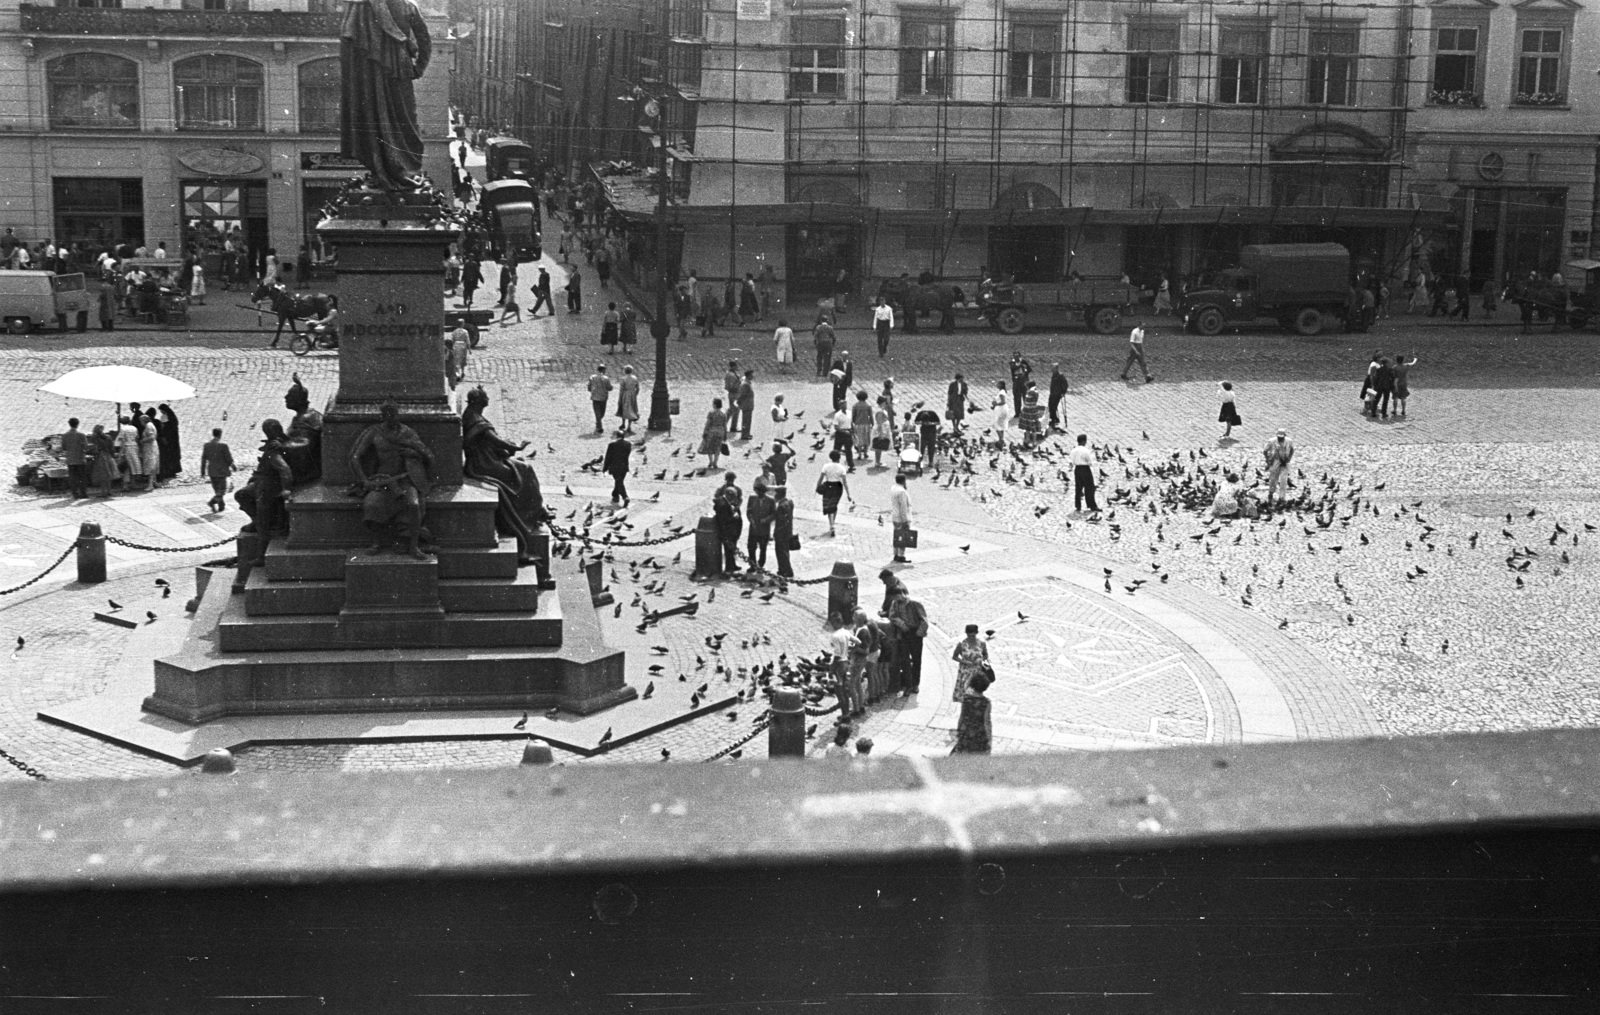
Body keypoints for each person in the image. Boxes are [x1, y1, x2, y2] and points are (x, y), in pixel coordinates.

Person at [461, 387, 551, 571]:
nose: (488, 399)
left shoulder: (472, 414)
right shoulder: (475, 418)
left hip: (486, 457)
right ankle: (533, 509)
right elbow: (495, 441)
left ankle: (537, 508)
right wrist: (516, 448)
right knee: (523, 468)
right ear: (479, 401)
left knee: (522, 466)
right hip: (483, 463)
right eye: (485, 397)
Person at [350, 403, 434, 559]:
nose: (393, 418)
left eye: (395, 415)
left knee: (414, 504)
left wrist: (414, 452)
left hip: (405, 479)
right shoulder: (374, 433)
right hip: (383, 480)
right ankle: (376, 542)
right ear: (382, 416)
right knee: (371, 503)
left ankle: (414, 546)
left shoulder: (407, 433)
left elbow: (428, 455)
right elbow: (356, 457)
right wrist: (364, 480)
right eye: (389, 415)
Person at [888, 587, 928, 697]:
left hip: (915, 634)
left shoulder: (915, 604)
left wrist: (919, 633)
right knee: (905, 660)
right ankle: (908, 685)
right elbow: (892, 616)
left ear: (902, 594)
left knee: (916, 659)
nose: (896, 599)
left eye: (897, 596)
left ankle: (916, 683)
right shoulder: (895, 604)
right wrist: (902, 625)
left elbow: (924, 620)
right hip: (903, 634)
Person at [951, 668, 994, 754]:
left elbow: (962, 716)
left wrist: (959, 730)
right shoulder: (986, 703)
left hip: (966, 733)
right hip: (979, 735)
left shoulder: (966, 699)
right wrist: (989, 739)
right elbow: (987, 722)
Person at [713, 471, 744, 575]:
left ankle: (732, 564)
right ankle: (729, 567)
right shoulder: (722, 490)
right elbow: (716, 501)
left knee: (732, 548)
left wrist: (736, 506)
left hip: (733, 528)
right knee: (728, 548)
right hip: (728, 529)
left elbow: (740, 499)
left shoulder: (737, 490)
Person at [951, 623, 989, 702]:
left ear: (976, 633)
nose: (971, 638)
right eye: (969, 635)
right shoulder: (962, 644)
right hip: (965, 672)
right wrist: (964, 661)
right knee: (967, 693)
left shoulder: (981, 644)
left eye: (973, 636)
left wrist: (981, 660)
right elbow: (954, 656)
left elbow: (985, 655)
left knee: (975, 693)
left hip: (977, 672)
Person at [201, 427, 235, 512]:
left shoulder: (207, 445)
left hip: (212, 471)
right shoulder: (223, 445)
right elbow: (228, 458)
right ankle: (212, 502)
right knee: (222, 491)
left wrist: (202, 472)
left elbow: (203, 459)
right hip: (222, 471)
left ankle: (221, 506)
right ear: (220, 435)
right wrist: (233, 465)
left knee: (217, 490)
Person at [817, 450, 851, 535]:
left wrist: (817, 487)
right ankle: (832, 524)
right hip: (838, 487)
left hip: (828, 486)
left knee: (829, 506)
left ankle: (831, 524)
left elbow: (821, 478)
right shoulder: (842, 468)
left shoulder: (826, 466)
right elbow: (845, 482)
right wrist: (848, 494)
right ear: (839, 458)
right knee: (834, 505)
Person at [830, 625, 860, 719]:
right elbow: (858, 642)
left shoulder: (835, 636)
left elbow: (837, 654)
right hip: (846, 662)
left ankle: (845, 714)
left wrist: (832, 669)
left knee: (839, 691)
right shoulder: (846, 632)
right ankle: (846, 711)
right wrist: (850, 650)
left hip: (839, 665)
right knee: (843, 689)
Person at [746, 478, 775, 570]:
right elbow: (749, 511)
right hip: (754, 528)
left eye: (760, 492)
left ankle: (761, 564)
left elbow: (773, 514)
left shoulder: (770, 500)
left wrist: (766, 520)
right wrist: (751, 520)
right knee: (751, 547)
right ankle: (752, 564)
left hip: (764, 529)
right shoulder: (752, 498)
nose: (758, 494)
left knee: (763, 548)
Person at [1263, 428, 1294, 505]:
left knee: (1284, 480)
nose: (1280, 438)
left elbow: (1292, 449)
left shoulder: (1289, 441)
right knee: (1273, 478)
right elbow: (1265, 451)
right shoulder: (1271, 441)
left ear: (1284, 436)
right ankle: (1271, 492)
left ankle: (1282, 497)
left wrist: (1289, 458)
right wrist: (1268, 461)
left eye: (1282, 437)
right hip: (1275, 461)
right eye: (1279, 437)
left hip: (1285, 462)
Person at [1069, 433, 1098, 514]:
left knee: (1078, 488)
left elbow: (1071, 461)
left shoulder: (1073, 450)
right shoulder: (1086, 451)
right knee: (1089, 487)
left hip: (1077, 469)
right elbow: (1089, 462)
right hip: (1085, 469)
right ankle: (1091, 505)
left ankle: (1078, 506)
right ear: (1084, 441)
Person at [60, 417, 88, 500]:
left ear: (69, 424)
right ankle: (83, 493)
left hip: (70, 459)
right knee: (82, 477)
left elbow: (64, 447)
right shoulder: (81, 435)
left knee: (73, 477)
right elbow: (86, 447)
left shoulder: (65, 435)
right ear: (78, 424)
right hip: (80, 459)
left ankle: (75, 494)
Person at [602, 432, 632, 506]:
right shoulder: (628, 444)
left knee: (619, 482)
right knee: (619, 481)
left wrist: (605, 468)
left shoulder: (612, 445)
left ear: (616, 436)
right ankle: (615, 495)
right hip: (624, 466)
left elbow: (608, 457)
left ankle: (625, 497)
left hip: (615, 467)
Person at [772, 484, 796, 578]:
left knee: (781, 552)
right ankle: (782, 569)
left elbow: (782, 521)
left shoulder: (782, 506)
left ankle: (787, 570)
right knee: (784, 551)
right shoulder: (789, 502)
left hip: (782, 533)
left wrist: (776, 532)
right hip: (787, 532)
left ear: (779, 495)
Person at [888, 473, 913, 563]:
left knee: (896, 536)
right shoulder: (902, 492)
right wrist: (905, 520)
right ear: (904, 481)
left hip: (895, 516)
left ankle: (895, 554)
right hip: (901, 517)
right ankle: (901, 555)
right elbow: (903, 507)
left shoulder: (893, 488)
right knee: (903, 537)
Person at [699, 397, 728, 471]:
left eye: (713, 403)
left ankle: (710, 461)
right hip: (720, 431)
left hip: (712, 431)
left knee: (710, 446)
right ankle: (715, 462)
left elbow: (708, 424)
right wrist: (725, 434)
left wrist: (705, 432)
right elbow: (725, 425)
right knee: (718, 447)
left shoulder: (711, 413)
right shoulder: (723, 413)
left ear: (715, 405)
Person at [89, 424, 117, 498]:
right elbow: (112, 449)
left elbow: (95, 450)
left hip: (100, 457)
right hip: (108, 456)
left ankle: (104, 492)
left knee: (102, 475)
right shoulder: (108, 437)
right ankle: (109, 491)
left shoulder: (95, 438)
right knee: (109, 474)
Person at [156, 403, 182, 481]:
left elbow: (165, 429)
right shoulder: (173, 417)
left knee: (168, 455)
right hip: (174, 439)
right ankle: (173, 470)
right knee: (173, 455)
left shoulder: (166, 418)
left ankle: (169, 471)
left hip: (168, 440)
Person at [584, 364, 612, 435]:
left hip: (595, 397)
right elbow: (609, 388)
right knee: (602, 412)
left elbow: (589, 387)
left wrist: (591, 390)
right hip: (603, 397)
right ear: (603, 370)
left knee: (597, 412)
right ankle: (600, 427)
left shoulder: (592, 377)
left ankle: (598, 423)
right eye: (605, 370)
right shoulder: (606, 378)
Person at [613, 364, 640, 434]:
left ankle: (623, 423)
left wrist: (620, 397)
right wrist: (635, 394)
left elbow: (621, 389)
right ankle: (629, 426)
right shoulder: (635, 378)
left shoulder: (623, 379)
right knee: (632, 409)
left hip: (625, 394)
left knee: (624, 408)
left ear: (625, 371)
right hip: (632, 394)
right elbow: (638, 387)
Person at [139, 409, 161, 487]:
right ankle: (154, 482)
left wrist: (142, 440)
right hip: (151, 447)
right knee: (153, 465)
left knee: (151, 465)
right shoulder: (150, 425)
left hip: (150, 448)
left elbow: (152, 437)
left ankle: (150, 485)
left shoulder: (148, 426)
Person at [870, 396, 894, 468]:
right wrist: (881, 433)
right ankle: (877, 462)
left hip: (883, 429)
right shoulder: (880, 411)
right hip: (880, 430)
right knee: (878, 446)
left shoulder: (881, 410)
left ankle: (878, 461)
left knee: (879, 447)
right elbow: (880, 423)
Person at [850, 389, 873, 460]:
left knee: (859, 439)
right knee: (866, 438)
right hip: (866, 424)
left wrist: (853, 422)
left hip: (858, 424)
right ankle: (865, 453)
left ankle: (859, 454)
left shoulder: (855, 406)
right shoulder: (868, 406)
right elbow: (871, 416)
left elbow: (853, 415)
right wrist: (872, 423)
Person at [1008, 350, 1032, 417]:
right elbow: (1013, 367)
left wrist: (1025, 372)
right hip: (1016, 382)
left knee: (1025, 397)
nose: (1016, 358)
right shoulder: (1012, 362)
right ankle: (1017, 412)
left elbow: (1029, 369)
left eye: (1017, 356)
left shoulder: (1023, 361)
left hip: (1024, 382)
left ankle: (1027, 411)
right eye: (1014, 356)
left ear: (1019, 356)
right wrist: (1021, 366)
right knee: (1016, 397)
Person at [735, 370, 756, 441]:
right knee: (746, 421)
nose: (753, 376)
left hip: (748, 404)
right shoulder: (746, 384)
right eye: (752, 375)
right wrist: (739, 402)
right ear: (749, 375)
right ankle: (744, 435)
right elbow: (742, 395)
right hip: (747, 405)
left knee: (747, 420)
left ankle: (747, 433)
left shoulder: (747, 382)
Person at [723, 360, 742, 435]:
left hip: (735, 393)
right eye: (736, 366)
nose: (737, 367)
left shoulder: (732, 373)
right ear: (733, 366)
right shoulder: (731, 375)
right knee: (734, 410)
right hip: (734, 393)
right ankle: (732, 426)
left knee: (733, 410)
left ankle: (731, 426)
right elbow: (731, 386)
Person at [1047, 363, 1068, 430]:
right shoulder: (1054, 374)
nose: (1052, 369)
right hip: (1052, 393)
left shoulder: (1060, 375)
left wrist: (1063, 392)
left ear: (1056, 368)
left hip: (1057, 394)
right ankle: (1054, 418)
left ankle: (1054, 419)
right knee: (1050, 405)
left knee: (1053, 406)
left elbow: (1065, 384)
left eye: (1053, 368)